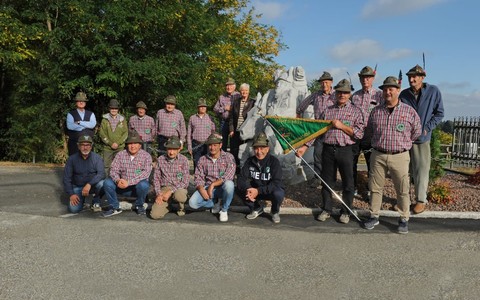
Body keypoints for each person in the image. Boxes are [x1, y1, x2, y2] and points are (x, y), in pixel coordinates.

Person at [363, 76, 421, 234]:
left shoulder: (409, 112)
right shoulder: (376, 111)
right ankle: (374, 215)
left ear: (398, 90)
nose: (387, 92)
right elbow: (369, 131)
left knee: (402, 189)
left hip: (400, 156)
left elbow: (417, 131)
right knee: (375, 188)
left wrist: (403, 143)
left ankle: (403, 218)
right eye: (385, 89)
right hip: (378, 155)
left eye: (391, 89)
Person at [316, 79, 365, 224]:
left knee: (348, 183)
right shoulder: (328, 111)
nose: (342, 95)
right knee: (326, 181)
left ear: (349, 94)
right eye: (339, 92)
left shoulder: (356, 111)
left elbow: (359, 133)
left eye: (345, 92)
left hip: (346, 150)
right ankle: (326, 209)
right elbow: (317, 131)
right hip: (328, 149)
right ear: (335, 93)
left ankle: (346, 211)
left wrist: (342, 126)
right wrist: (304, 146)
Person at [400, 64, 445, 214]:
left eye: (414, 77)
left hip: (422, 139)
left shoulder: (433, 91)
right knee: (403, 172)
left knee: (421, 171)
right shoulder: (404, 94)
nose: (411, 79)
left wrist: (427, 128)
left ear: (422, 77)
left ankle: (420, 200)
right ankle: (404, 201)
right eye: (409, 77)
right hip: (405, 139)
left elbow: (439, 113)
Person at [295, 71, 336, 188]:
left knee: (332, 156)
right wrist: (298, 120)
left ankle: (330, 180)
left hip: (333, 130)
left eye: (326, 82)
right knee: (317, 155)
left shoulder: (336, 95)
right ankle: (317, 178)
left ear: (331, 82)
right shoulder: (316, 95)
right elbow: (301, 107)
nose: (324, 85)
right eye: (322, 82)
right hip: (319, 130)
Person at [237, 132, 285, 223]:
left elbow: (276, 182)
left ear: (267, 149)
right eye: (256, 148)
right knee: (238, 188)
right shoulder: (249, 161)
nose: (259, 152)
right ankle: (256, 208)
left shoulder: (274, 162)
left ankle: (275, 211)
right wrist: (248, 189)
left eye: (262, 148)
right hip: (255, 191)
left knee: (279, 193)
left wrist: (258, 191)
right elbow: (241, 178)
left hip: (270, 190)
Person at [102, 131, 152, 217]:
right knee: (107, 182)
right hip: (121, 186)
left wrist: (129, 182)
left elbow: (146, 174)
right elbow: (113, 170)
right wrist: (118, 180)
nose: (132, 146)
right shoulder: (120, 154)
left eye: (135, 143)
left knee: (144, 185)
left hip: (136, 188)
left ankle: (139, 206)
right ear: (127, 145)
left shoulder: (146, 156)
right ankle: (114, 207)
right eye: (130, 143)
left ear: (140, 145)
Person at [188, 133, 236, 222]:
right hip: (208, 188)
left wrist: (213, 184)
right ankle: (215, 202)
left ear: (220, 145)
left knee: (229, 184)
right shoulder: (202, 159)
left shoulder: (229, 157)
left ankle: (224, 210)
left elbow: (229, 176)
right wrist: (202, 190)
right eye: (210, 145)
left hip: (222, 187)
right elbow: (198, 177)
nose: (212, 148)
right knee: (192, 203)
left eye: (215, 145)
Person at [351, 66, 383, 194]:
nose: (365, 80)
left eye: (368, 77)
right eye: (363, 77)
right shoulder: (355, 96)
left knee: (372, 163)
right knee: (351, 162)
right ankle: (352, 187)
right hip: (356, 134)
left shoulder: (379, 95)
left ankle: (372, 189)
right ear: (359, 78)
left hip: (371, 135)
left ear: (373, 79)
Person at [63, 135, 105, 213]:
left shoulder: (97, 158)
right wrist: (71, 194)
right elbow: (66, 178)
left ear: (91, 146)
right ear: (78, 146)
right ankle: (83, 201)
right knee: (73, 209)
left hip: (93, 186)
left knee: (102, 183)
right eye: (82, 145)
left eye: (87, 145)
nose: (85, 148)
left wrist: (89, 184)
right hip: (78, 187)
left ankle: (96, 200)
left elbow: (101, 174)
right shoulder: (72, 159)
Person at [151, 136, 190, 219]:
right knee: (154, 215)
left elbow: (185, 181)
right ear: (166, 149)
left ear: (179, 149)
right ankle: (168, 206)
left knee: (180, 195)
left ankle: (181, 208)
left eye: (174, 149)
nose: (171, 152)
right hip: (164, 188)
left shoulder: (184, 160)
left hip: (178, 188)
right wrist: (159, 194)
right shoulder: (161, 159)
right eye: (169, 149)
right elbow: (156, 179)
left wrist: (171, 191)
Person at [229, 83, 256, 168]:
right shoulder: (236, 102)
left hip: (246, 131)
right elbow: (231, 117)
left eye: (246, 90)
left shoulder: (253, 102)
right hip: (236, 130)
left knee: (245, 150)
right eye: (242, 90)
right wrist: (231, 129)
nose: (244, 92)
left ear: (249, 91)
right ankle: (235, 167)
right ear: (240, 91)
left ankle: (245, 168)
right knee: (234, 150)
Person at [99, 99, 128, 176]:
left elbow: (125, 133)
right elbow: (102, 133)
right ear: (109, 109)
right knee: (106, 166)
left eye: (115, 108)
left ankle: (119, 182)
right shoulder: (104, 120)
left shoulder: (123, 119)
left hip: (120, 147)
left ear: (118, 109)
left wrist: (118, 143)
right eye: (112, 108)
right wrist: (110, 143)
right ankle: (106, 182)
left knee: (120, 165)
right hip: (107, 147)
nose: (114, 110)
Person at [187, 98, 216, 169]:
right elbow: (189, 133)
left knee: (207, 164)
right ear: (198, 107)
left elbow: (213, 132)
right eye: (201, 106)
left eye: (204, 106)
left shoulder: (210, 118)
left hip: (207, 145)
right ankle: (197, 179)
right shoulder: (192, 118)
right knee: (197, 163)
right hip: (196, 144)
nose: (203, 108)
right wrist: (189, 146)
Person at [213, 78, 241, 152]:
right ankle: (222, 159)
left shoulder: (239, 96)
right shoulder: (222, 97)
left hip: (235, 123)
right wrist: (224, 108)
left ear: (234, 86)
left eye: (230, 85)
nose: (229, 87)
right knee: (222, 142)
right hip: (224, 122)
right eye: (227, 85)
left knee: (234, 143)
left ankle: (233, 161)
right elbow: (215, 109)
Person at [65, 91, 97, 156]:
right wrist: (85, 126)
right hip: (74, 144)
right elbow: (70, 126)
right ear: (76, 102)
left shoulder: (91, 114)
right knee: (74, 163)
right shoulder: (70, 114)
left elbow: (92, 125)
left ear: (85, 102)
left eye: (83, 101)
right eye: (79, 101)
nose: (81, 102)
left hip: (88, 144)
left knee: (88, 164)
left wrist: (80, 122)